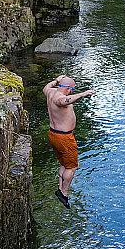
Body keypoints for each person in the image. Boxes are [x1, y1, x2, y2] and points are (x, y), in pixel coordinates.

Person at [43, 74, 96, 208]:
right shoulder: (60, 98)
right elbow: (63, 101)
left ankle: (60, 187)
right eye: (72, 90)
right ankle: (64, 193)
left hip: (53, 134)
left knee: (64, 164)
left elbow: (46, 87)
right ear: (68, 89)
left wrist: (56, 80)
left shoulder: (50, 92)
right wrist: (82, 94)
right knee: (72, 166)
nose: (73, 92)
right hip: (64, 138)